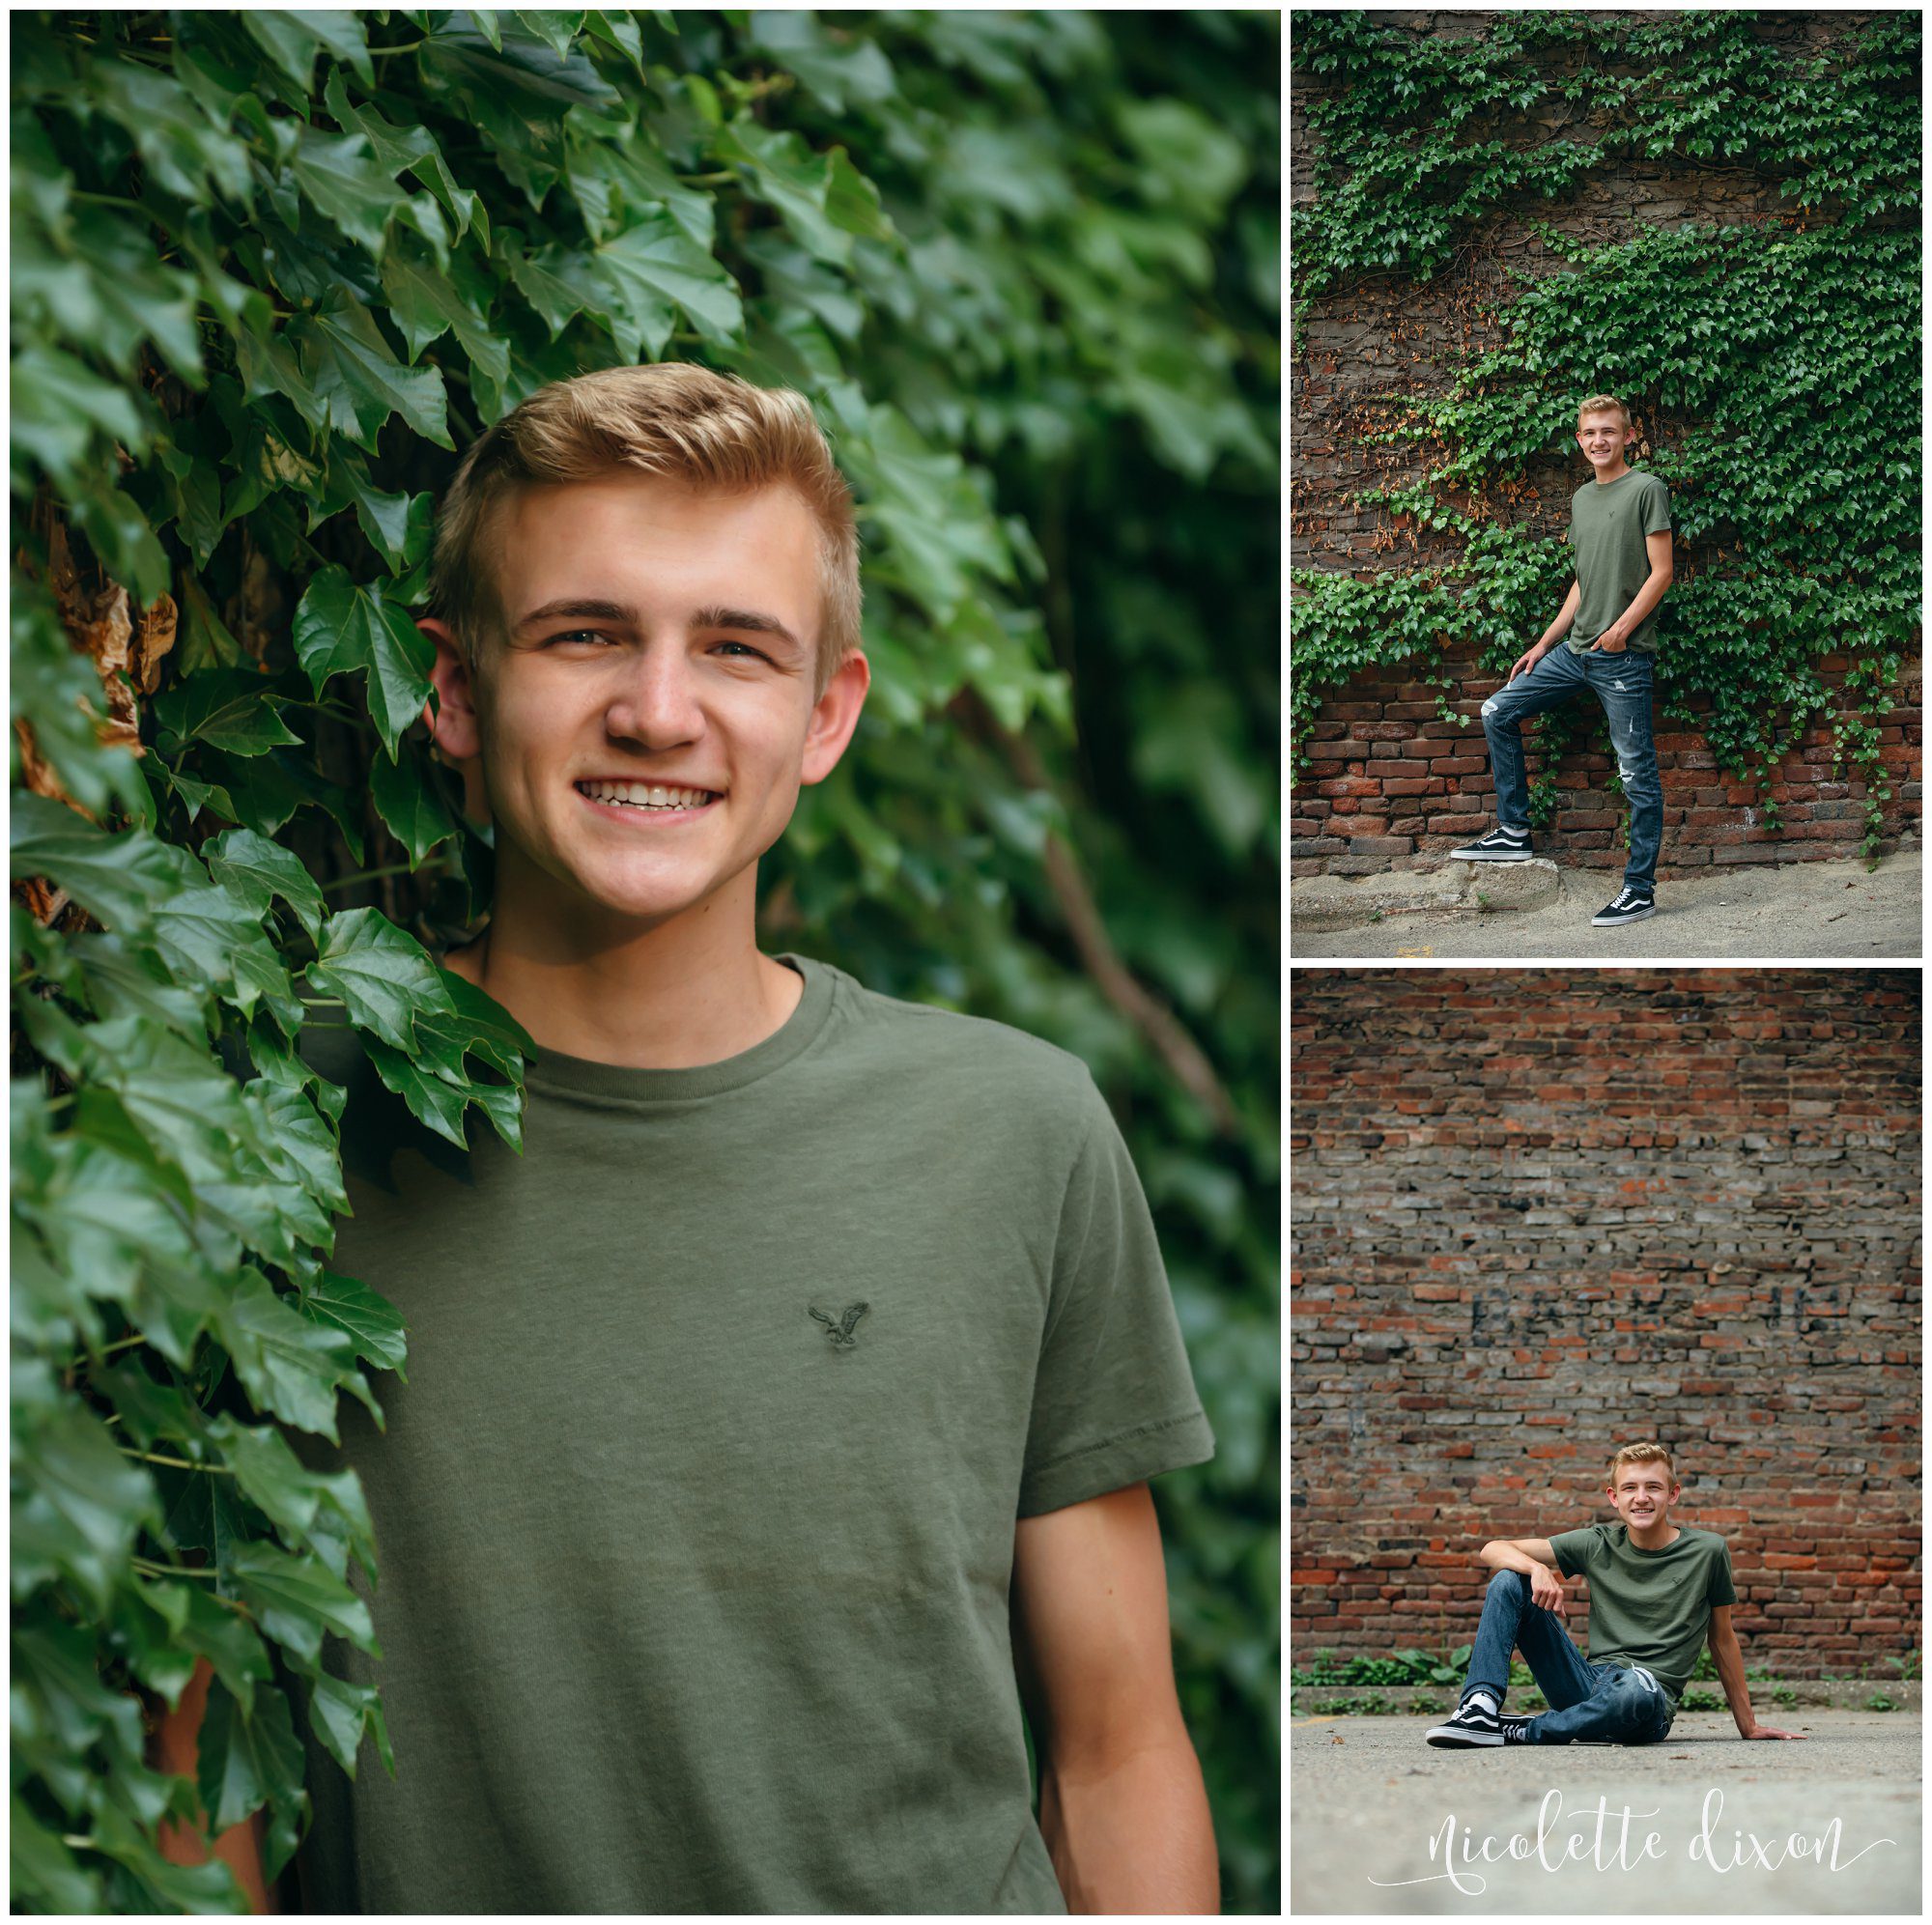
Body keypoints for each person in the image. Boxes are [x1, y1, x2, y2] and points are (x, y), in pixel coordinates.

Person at [154, 364, 1220, 1912]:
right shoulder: (263, 1126)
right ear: (453, 690)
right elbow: (197, 1771)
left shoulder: (1017, 1133)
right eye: (585, 634)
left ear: (826, 712)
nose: (658, 713)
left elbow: (1116, 1756)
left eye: (736, 647)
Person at [1448, 395, 1674, 929]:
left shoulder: (1647, 489)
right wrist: (1544, 643)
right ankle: (1513, 832)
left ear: (1628, 436)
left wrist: (1621, 631)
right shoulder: (1581, 498)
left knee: (1636, 774)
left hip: (1622, 659)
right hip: (1575, 653)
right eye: (1590, 433)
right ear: (1579, 440)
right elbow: (1582, 581)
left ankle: (1639, 891)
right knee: (1496, 711)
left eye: (1609, 431)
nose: (1599, 440)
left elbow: (1662, 571)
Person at [1423, 1442, 1804, 1747]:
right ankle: (1479, 1708)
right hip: (1588, 1684)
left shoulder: (1708, 1550)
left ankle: (1527, 1730)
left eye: (1653, 1487)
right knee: (1509, 1580)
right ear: (1614, 1497)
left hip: (1646, 1703)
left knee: (1640, 1689)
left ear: (1673, 1494)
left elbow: (1722, 1638)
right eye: (1630, 1488)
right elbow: (1493, 1548)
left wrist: (1748, 1725)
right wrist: (1537, 1569)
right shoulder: (1597, 1543)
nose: (1641, 1497)